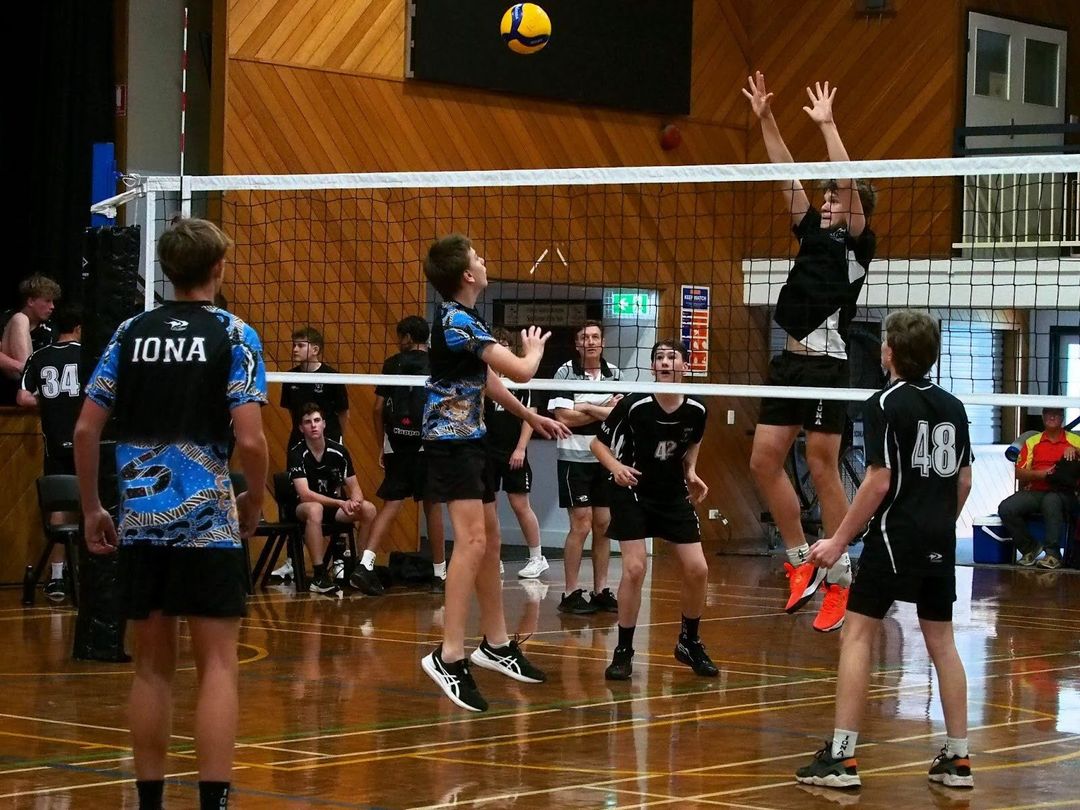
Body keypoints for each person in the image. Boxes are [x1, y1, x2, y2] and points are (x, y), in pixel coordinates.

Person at [74, 216, 269, 810]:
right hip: (208, 523)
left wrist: (92, 508)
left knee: (151, 669)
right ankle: (213, 802)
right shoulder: (236, 335)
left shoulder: (129, 332)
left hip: (141, 521)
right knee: (217, 667)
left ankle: (149, 801)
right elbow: (254, 442)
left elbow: (86, 428)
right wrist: (255, 500)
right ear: (218, 268)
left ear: (168, 269)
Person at [795, 310, 973, 790]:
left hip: (893, 537)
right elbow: (964, 480)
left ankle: (842, 757)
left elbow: (879, 480)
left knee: (856, 636)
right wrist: (939, 526)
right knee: (943, 643)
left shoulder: (884, 403)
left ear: (889, 351)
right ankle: (958, 759)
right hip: (938, 539)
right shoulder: (954, 406)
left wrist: (838, 540)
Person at [743, 73, 877, 633]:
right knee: (762, 462)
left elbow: (845, 181)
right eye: (821, 199)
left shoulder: (858, 243)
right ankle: (801, 561)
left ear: (852, 210)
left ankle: (841, 570)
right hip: (789, 360)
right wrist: (767, 119)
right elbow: (784, 177)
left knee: (822, 462)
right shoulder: (813, 233)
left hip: (827, 366)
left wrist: (828, 126)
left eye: (833, 200)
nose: (825, 202)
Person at [418, 233, 570, 712]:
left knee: (483, 538)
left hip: (472, 440)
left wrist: (529, 417)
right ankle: (448, 655)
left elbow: (486, 380)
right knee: (475, 543)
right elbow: (523, 372)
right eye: (479, 258)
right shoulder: (457, 320)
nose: (485, 262)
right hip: (449, 444)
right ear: (467, 275)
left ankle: (496, 645)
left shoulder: (465, 322)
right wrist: (535, 350)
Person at [591, 339, 718, 681]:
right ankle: (624, 650)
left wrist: (691, 471)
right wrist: (614, 467)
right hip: (632, 490)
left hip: (672, 493)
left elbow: (694, 441)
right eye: (659, 358)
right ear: (652, 368)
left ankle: (689, 642)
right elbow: (597, 444)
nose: (664, 362)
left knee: (698, 569)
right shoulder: (635, 404)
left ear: (684, 367)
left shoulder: (697, 409)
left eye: (671, 357)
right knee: (634, 568)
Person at [350, 315, 447, 596]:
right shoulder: (437, 363)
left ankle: (366, 564)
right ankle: (440, 573)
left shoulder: (393, 363)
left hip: (396, 445)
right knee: (433, 506)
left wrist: (382, 444)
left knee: (392, 504)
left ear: (406, 337)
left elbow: (378, 409)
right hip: (428, 445)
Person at [548, 320, 622, 614]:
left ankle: (601, 590)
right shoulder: (564, 372)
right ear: (577, 344)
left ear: (602, 342)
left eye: (595, 337)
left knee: (604, 524)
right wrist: (601, 409)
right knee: (581, 523)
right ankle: (569, 593)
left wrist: (586, 408)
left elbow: (618, 416)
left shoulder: (615, 373)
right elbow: (563, 417)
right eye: (584, 338)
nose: (590, 342)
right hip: (573, 459)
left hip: (605, 458)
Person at [17, 304, 83, 602]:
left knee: (61, 506)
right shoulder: (90, 356)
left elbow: (22, 397)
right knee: (98, 503)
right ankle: (97, 577)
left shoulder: (39, 357)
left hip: (55, 442)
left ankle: (57, 578)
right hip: (88, 443)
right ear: (80, 328)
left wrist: (49, 403)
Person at [287, 403, 377, 596]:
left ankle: (361, 568)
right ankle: (319, 575)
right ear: (301, 428)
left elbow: (355, 488)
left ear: (324, 424)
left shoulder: (339, 452)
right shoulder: (297, 453)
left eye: (317, 420)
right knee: (315, 509)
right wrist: (340, 503)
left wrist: (355, 502)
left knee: (368, 509)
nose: (313, 425)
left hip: (334, 507)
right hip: (301, 508)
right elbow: (305, 494)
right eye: (308, 422)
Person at [485, 327, 548, 580]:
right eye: (496, 344)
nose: (501, 347)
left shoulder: (522, 380)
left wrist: (521, 448)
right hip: (487, 451)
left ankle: (537, 557)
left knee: (520, 505)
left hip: (514, 452)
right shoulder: (485, 377)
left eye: (505, 344)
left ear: (512, 348)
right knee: (489, 508)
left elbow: (528, 417)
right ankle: (494, 559)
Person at [998, 407, 1080, 570]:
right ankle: (1030, 548)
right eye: (1049, 413)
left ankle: (1053, 555)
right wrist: (1043, 475)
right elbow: (1019, 473)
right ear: (1043, 417)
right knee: (1007, 508)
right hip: (1037, 491)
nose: (1052, 417)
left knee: (1051, 500)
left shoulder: (1075, 440)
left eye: (1056, 414)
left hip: (1066, 494)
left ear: (1062, 418)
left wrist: (1076, 450)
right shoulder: (1032, 441)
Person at [279, 326, 349, 447]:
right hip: (299, 439)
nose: (295, 349)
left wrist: (338, 438)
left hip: (329, 438)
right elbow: (292, 411)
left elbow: (343, 412)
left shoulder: (333, 377)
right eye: (294, 345)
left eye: (301, 346)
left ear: (315, 350)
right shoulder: (289, 377)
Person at [1, 274, 61, 404]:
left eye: (53, 301)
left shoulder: (50, 330)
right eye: (47, 301)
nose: (52, 306)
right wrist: (23, 367)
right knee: (20, 319)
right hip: (8, 381)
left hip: (36, 386)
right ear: (31, 301)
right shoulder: (7, 318)